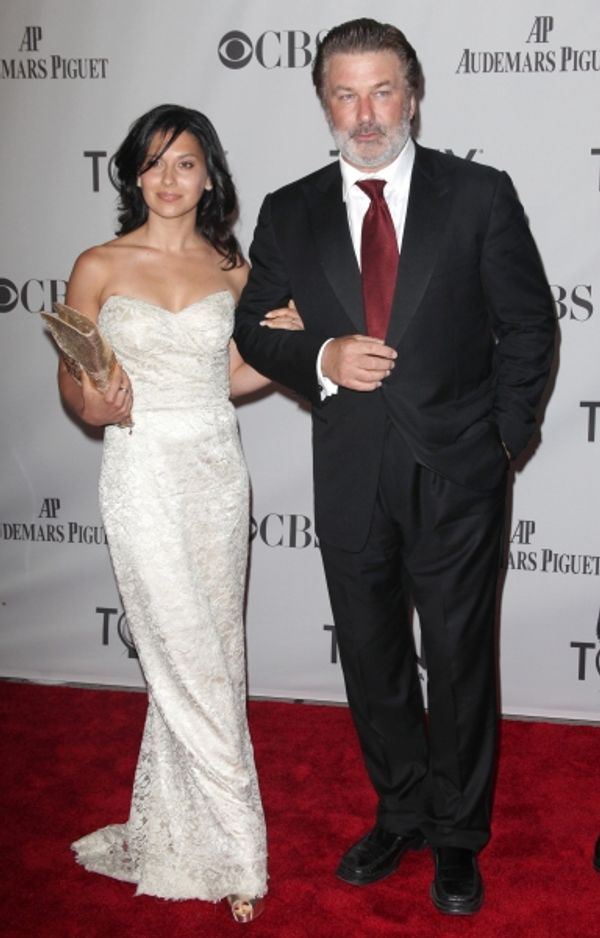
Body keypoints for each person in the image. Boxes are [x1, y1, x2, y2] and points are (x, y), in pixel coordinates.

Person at [234, 18, 556, 916]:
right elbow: (254, 324)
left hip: (459, 469)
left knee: (455, 659)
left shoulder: (479, 194)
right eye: (346, 92)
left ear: (412, 94)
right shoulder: (289, 209)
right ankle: (402, 809)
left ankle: (458, 836)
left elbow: (529, 326)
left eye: (382, 91)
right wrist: (324, 358)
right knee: (371, 658)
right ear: (323, 102)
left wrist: (503, 440)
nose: (365, 113)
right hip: (349, 469)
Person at [58, 103, 303, 924]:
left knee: (215, 653)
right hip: (141, 470)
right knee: (183, 654)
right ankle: (240, 849)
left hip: (216, 474)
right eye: (154, 162)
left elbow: (231, 376)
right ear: (132, 173)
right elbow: (77, 385)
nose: (169, 178)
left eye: (186, 163)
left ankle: (183, 826)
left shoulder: (232, 270)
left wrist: (284, 341)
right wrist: (98, 398)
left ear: (210, 176)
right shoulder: (98, 264)